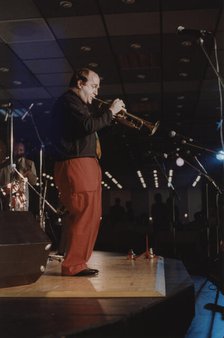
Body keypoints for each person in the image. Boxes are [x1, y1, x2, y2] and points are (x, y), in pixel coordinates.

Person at [51, 68, 125, 277]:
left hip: (85, 163)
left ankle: (78, 263)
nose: (96, 92)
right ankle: (73, 265)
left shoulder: (78, 105)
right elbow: (87, 125)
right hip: (77, 164)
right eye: (93, 86)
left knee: (91, 214)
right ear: (80, 82)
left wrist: (112, 118)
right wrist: (110, 112)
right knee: (84, 213)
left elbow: (90, 129)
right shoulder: (69, 102)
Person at [0, 141, 37, 211]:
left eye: (21, 150)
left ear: (24, 151)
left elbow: (33, 182)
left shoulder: (29, 163)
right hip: (8, 198)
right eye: (16, 150)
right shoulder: (6, 163)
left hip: (22, 198)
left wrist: (28, 173)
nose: (18, 152)